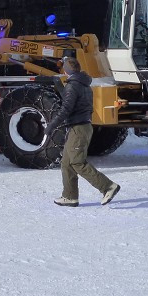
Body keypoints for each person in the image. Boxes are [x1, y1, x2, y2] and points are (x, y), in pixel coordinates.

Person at [45, 57, 120, 207]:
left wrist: (51, 125)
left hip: (78, 128)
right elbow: (74, 103)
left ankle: (108, 187)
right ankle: (70, 196)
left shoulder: (73, 86)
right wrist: (62, 89)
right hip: (81, 126)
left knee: (77, 162)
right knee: (66, 163)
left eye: (63, 67)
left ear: (67, 70)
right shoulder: (84, 85)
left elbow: (66, 108)